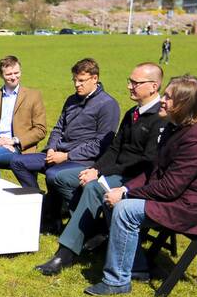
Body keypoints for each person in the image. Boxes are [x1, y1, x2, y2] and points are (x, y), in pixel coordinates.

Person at [85, 75, 197, 296]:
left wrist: (126, 196)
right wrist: (123, 189)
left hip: (189, 209)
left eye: (168, 97)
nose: (162, 100)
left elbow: (170, 188)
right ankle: (137, 267)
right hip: (176, 199)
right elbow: (153, 171)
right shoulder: (176, 128)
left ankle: (117, 281)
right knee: (112, 197)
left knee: (124, 209)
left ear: (185, 105)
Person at [35, 63, 165, 275]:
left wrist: (102, 175)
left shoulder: (161, 118)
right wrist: (95, 168)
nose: (129, 86)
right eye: (129, 81)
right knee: (61, 178)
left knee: (93, 188)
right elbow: (114, 148)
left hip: (134, 178)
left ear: (153, 86)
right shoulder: (133, 113)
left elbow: (146, 162)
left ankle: (65, 253)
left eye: (135, 83)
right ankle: (95, 229)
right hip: (115, 171)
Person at [9, 58, 120, 234]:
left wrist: (67, 156)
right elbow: (58, 128)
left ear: (95, 78)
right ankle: (42, 205)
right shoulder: (71, 100)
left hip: (83, 160)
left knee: (53, 174)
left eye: (81, 80)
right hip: (57, 153)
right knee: (17, 162)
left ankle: (70, 219)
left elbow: (101, 144)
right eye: (74, 80)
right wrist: (52, 148)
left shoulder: (108, 104)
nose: (77, 84)